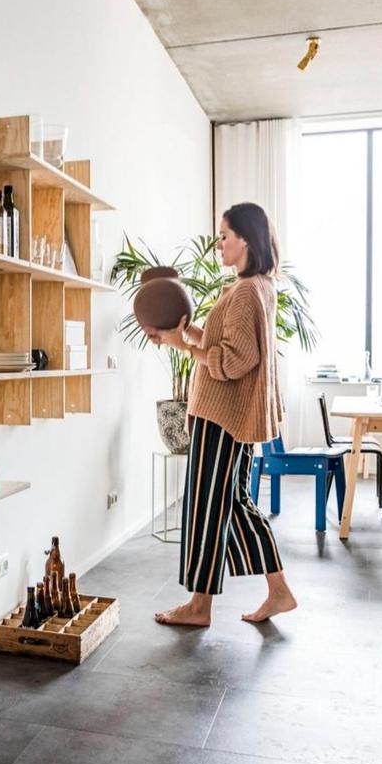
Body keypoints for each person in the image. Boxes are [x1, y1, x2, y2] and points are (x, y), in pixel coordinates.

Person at [147, 202, 297, 626]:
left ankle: (199, 607)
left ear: (246, 239)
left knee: (208, 507)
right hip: (228, 416)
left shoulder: (248, 291)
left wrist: (182, 347)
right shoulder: (250, 287)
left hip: (222, 416)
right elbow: (225, 341)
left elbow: (234, 361)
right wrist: (184, 333)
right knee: (231, 503)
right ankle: (278, 591)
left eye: (224, 236)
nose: (218, 244)